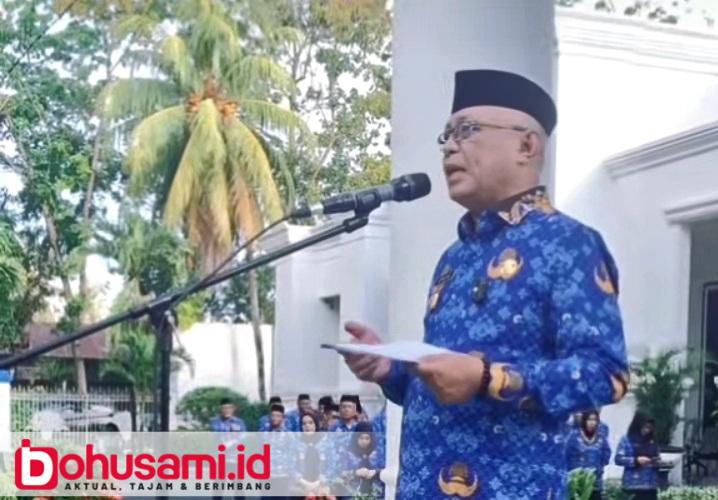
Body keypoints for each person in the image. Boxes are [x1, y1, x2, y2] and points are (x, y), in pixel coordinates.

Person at [341, 69, 629, 498]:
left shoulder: (570, 244)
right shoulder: (453, 258)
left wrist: (489, 378)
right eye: (446, 135)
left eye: (467, 130)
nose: (449, 146)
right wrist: (391, 371)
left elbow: (606, 375)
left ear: (526, 145)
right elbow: (443, 388)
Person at [565, 410, 611, 500]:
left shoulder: (601, 438)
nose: (592, 423)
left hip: (595, 482)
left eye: (595, 420)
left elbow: (606, 454)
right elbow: (567, 456)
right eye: (589, 419)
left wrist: (598, 467)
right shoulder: (573, 437)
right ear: (584, 421)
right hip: (577, 483)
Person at [615, 411, 661, 500]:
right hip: (632, 485)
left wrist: (658, 462)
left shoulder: (653, 440)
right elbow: (618, 459)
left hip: (650, 485)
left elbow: (657, 456)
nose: (647, 430)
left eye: (649, 428)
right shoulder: (626, 440)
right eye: (645, 427)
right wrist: (636, 461)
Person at [292, 410, 337, 498]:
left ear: (316, 424)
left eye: (310, 423)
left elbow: (333, 466)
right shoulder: (296, 444)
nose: (307, 426)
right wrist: (303, 482)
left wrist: (319, 482)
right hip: (301, 486)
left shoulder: (326, 442)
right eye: (304, 424)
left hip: (322, 484)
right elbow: (291, 466)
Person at [339, 422, 384, 498]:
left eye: (367, 438)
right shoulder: (347, 454)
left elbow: (386, 471)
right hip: (352, 495)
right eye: (361, 438)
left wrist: (375, 473)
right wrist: (355, 473)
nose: (364, 441)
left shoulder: (377, 454)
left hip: (375, 494)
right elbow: (339, 475)